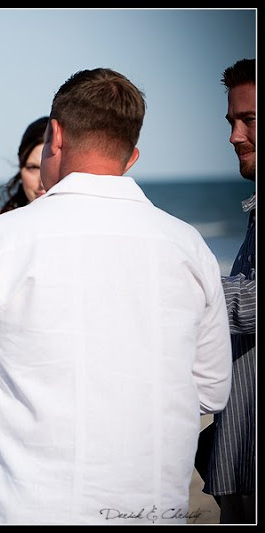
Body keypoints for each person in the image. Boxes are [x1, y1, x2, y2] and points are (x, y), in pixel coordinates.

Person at [0, 67, 233, 524]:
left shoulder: (2, 240)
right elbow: (212, 389)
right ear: (132, 155)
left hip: (25, 505)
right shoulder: (189, 247)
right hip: (148, 505)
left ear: (55, 137)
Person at [197, 57, 256, 524]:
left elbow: (251, 303)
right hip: (239, 451)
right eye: (232, 121)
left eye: (249, 120)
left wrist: (172, 280)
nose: (235, 136)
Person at [0, 116, 49, 214]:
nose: (42, 183)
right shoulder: (3, 221)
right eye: (33, 168)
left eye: (49, 169)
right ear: (20, 166)